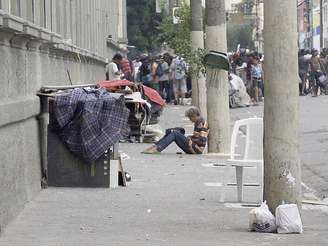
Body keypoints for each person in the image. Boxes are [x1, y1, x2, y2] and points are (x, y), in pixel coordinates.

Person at [142, 107, 209, 155]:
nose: (190, 120)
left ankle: (157, 148)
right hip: (192, 145)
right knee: (178, 130)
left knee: (175, 133)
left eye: (190, 118)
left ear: (195, 116)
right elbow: (197, 137)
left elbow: (201, 141)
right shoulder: (198, 122)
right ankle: (155, 146)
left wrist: (190, 138)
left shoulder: (201, 123)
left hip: (196, 149)